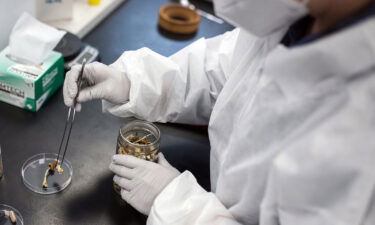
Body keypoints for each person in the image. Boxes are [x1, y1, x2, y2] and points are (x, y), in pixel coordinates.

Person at [63, 0, 375, 224]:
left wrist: (181, 208)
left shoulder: (361, 132)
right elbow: (224, 69)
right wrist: (132, 82)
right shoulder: (297, 14)